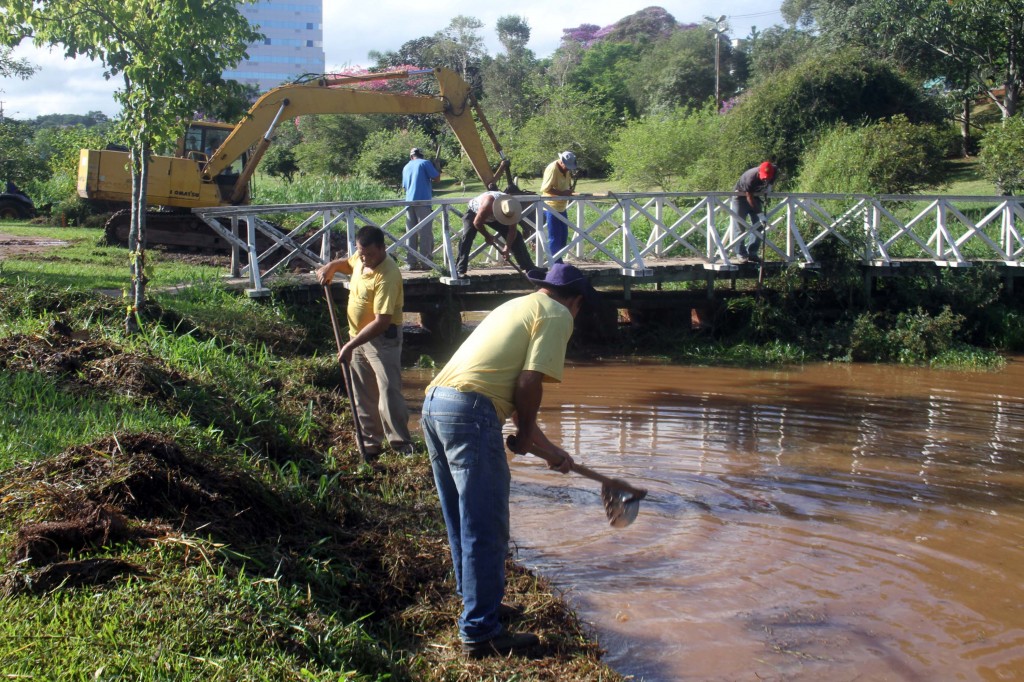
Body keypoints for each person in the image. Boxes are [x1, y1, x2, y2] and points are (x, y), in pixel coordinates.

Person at [421, 262, 598, 658]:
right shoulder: (557, 316)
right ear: (577, 302)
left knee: (462, 517)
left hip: (436, 405)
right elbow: (528, 384)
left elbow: (515, 400)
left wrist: (549, 452)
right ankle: (481, 631)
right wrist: (529, 437)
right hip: (470, 412)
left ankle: (477, 602)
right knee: (485, 523)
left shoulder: (517, 306)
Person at [316, 225, 414, 457]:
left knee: (389, 392)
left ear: (382, 249)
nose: (365, 258)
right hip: (357, 337)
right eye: (361, 253)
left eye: (369, 254)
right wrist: (331, 267)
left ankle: (401, 445)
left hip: (382, 340)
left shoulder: (388, 275)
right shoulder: (361, 259)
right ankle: (371, 443)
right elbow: (348, 264)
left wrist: (349, 345)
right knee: (363, 392)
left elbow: (382, 321)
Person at [454, 190, 535, 277]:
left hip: (493, 216)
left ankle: (529, 268)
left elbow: (512, 231)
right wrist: (487, 236)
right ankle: (460, 269)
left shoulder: (512, 208)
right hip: (475, 213)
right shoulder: (488, 203)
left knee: (517, 236)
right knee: (468, 236)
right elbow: (477, 223)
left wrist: (507, 248)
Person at [401, 147, 440, 270]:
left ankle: (411, 263)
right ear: (422, 155)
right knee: (425, 233)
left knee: (411, 234)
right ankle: (426, 262)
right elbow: (437, 178)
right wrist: (437, 167)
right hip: (423, 202)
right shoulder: (425, 163)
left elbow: (404, 187)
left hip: (409, 203)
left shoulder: (406, 167)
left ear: (411, 156)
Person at [732, 161, 776, 260]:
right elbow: (749, 197)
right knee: (740, 226)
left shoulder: (774, 170)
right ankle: (741, 253)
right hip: (741, 197)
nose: (766, 178)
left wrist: (769, 187)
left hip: (755, 196)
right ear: (759, 171)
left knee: (759, 226)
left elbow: (772, 178)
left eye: (768, 177)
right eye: (764, 176)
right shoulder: (750, 177)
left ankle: (752, 253)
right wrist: (760, 214)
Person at [540, 151, 577, 263]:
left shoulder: (567, 170)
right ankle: (554, 263)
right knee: (554, 237)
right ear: (561, 162)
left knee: (563, 236)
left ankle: (558, 259)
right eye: (567, 167)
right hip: (551, 207)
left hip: (562, 206)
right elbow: (546, 189)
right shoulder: (552, 169)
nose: (568, 169)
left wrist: (569, 192)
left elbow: (566, 185)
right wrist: (562, 194)